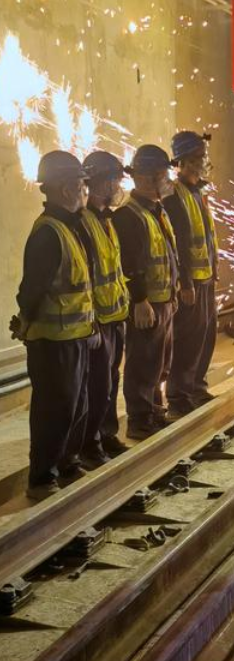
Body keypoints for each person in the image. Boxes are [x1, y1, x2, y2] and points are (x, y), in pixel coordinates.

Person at [11, 151, 95, 501]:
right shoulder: (48, 233)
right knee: (54, 410)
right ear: (65, 189)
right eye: (81, 184)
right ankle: (42, 477)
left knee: (76, 406)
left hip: (74, 336)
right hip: (53, 341)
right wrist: (25, 320)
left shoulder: (69, 227)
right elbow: (31, 289)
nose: (85, 190)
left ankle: (67, 464)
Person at [112, 145, 178, 440]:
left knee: (160, 362)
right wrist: (140, 299)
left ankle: (154, 411)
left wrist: (174, 291)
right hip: (147, 303)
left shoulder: (157, 210)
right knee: (143, 362)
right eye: (161, 176)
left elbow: (168, 255)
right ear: (142, 178)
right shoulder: (129, 216)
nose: (165, 181)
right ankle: (139, 419)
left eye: (165, 175)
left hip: (163, 300)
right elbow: (130, 263)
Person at [163, 131, 219, 419]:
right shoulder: (174, 196)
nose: (202, 162)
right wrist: (184, 282)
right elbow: (179, 244)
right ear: (181, 162)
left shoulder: (199, 193)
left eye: (202, 157)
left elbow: (206, 239)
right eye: (196, 158)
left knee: (206, 336)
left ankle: (197, 387)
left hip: (206, 278)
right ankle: (179, 395)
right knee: (188, 340)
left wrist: (214, 271)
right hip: (191, 282)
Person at [79, 151, 130, 464]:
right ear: (98, 183)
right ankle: (89, 444)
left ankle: (107, 435)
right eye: (114, 180)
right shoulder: (83, 223)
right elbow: (86, 276)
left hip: (115, 315)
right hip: (98, 320)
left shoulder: (106, 221)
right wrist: (92, 321)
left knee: (110, 382)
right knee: (96, 387)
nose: (118, 186)